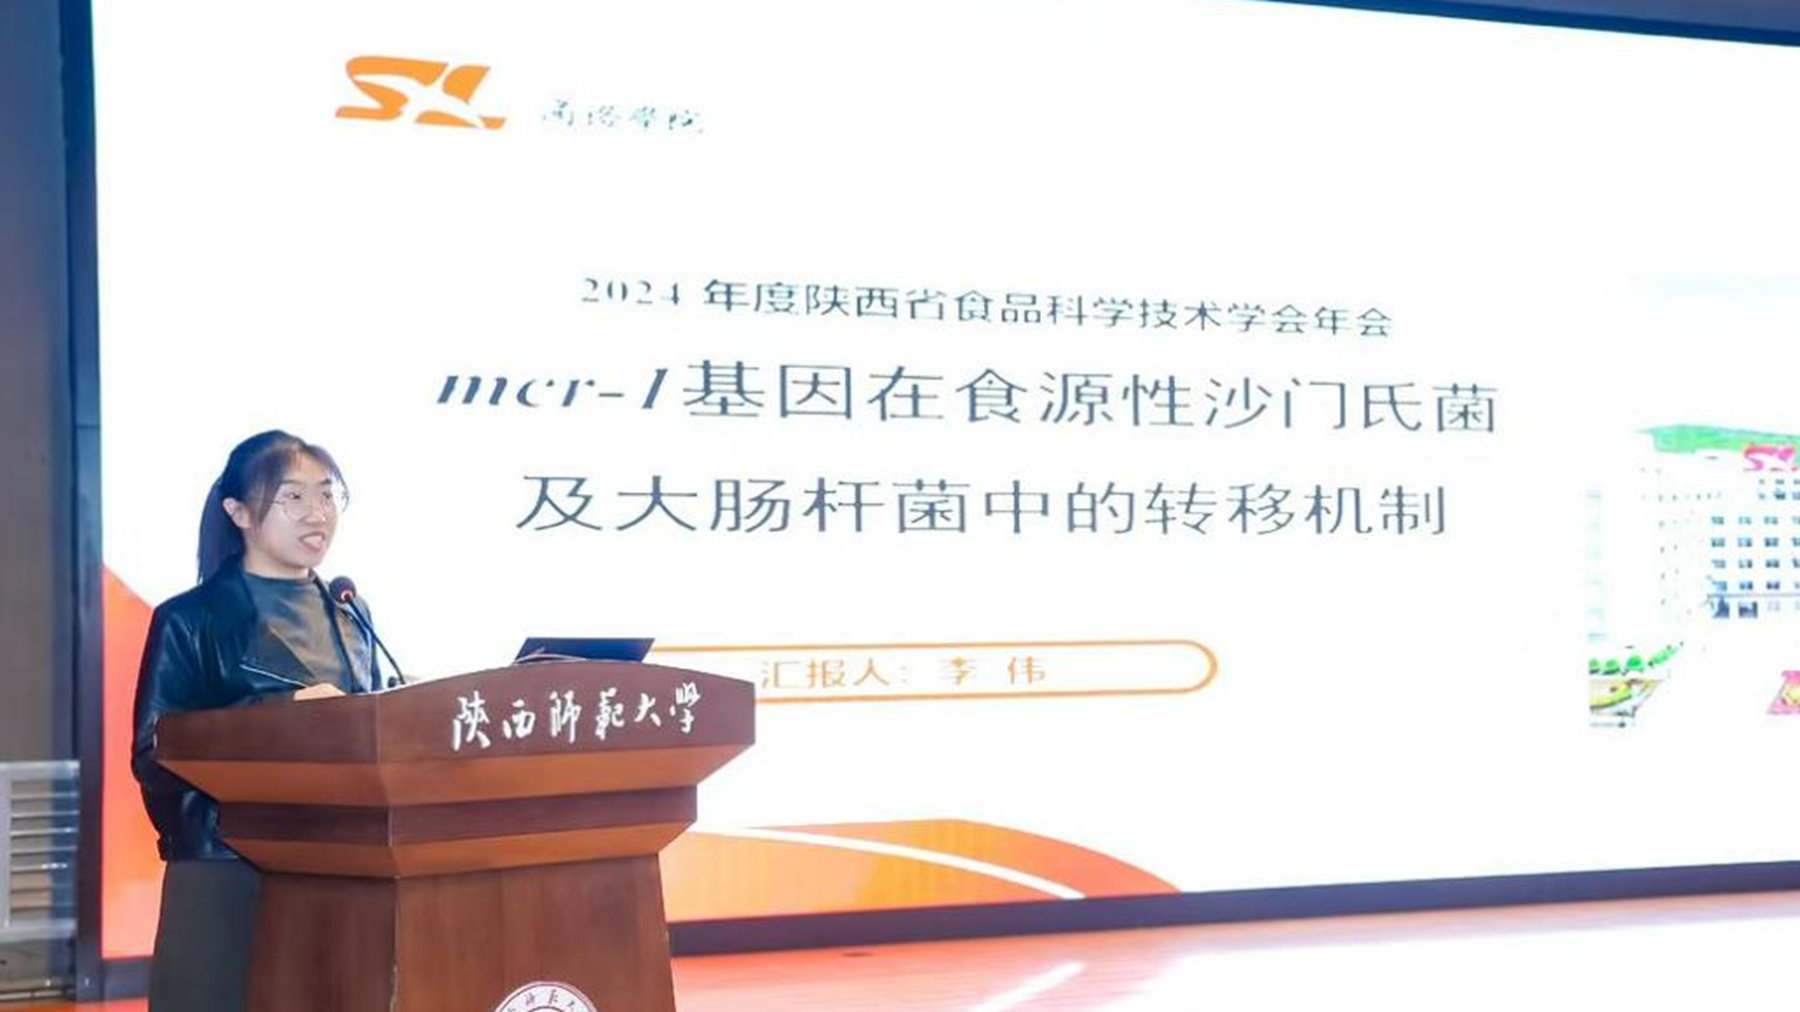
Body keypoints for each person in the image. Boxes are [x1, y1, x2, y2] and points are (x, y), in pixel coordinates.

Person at [130, 430, 383, 1012]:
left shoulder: (350, 611)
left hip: (334, 858)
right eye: (292, 496)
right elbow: (152, 754)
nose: (317, 513)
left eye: (327, 494)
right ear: (238, 512)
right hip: (224, 862)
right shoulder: (190, 620)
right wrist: (281, 718)